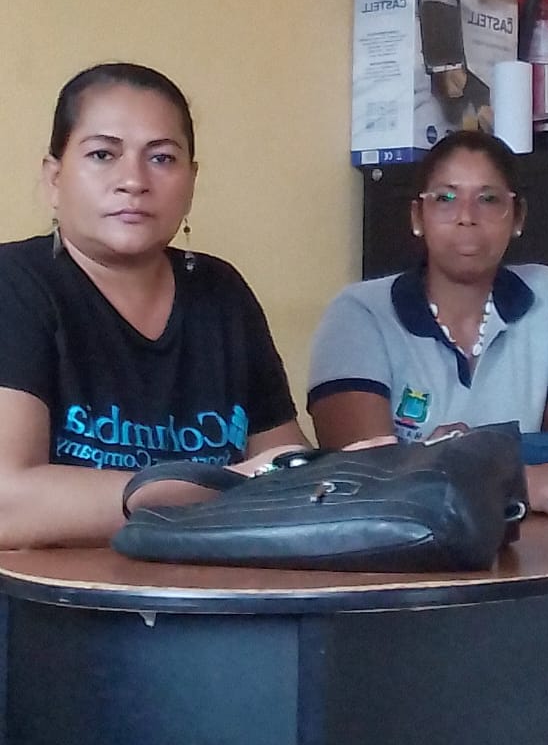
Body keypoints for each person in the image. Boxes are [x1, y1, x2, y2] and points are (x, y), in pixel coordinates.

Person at [0, 62, 316, 551]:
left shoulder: (221, 292)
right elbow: (9, 502)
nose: (134, 180)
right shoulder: (15, 283)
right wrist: (216, 488)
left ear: (191, 181)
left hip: (208, 587)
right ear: (54, 178)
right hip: (55, 595)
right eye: (103, 154)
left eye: (162, 158)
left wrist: (360, 473)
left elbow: (282, 474)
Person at [308, 130, 548, 521]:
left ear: (518, 217)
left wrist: (454, 465)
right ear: (417, 217)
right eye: (445, 198)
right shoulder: (359, 314)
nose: (466, 217)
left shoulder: (546, 295)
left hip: (527, 536)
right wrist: (511, 482)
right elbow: (365, 479)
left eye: (488, 199)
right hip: (400, 543)